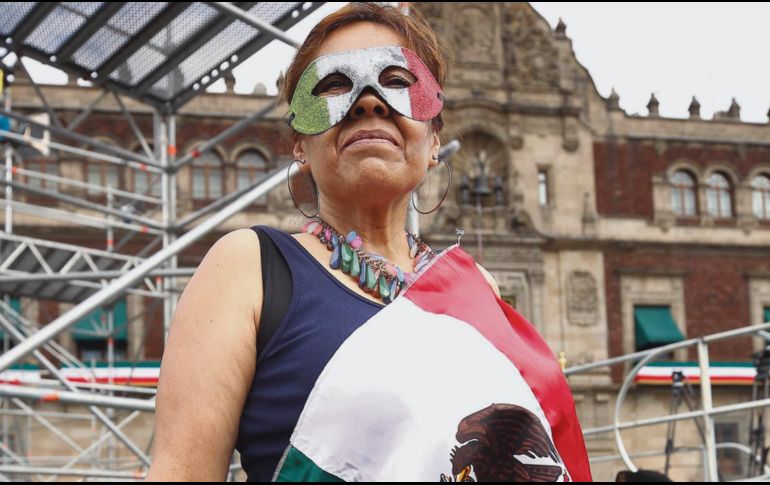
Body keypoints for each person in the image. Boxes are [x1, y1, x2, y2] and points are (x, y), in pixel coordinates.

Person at [146, 3, 591, 482]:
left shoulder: (475, 287)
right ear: (300, 140)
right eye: (335, 84)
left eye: (398, 81)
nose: (370, 100)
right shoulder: (248, 268)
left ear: (434, 136)